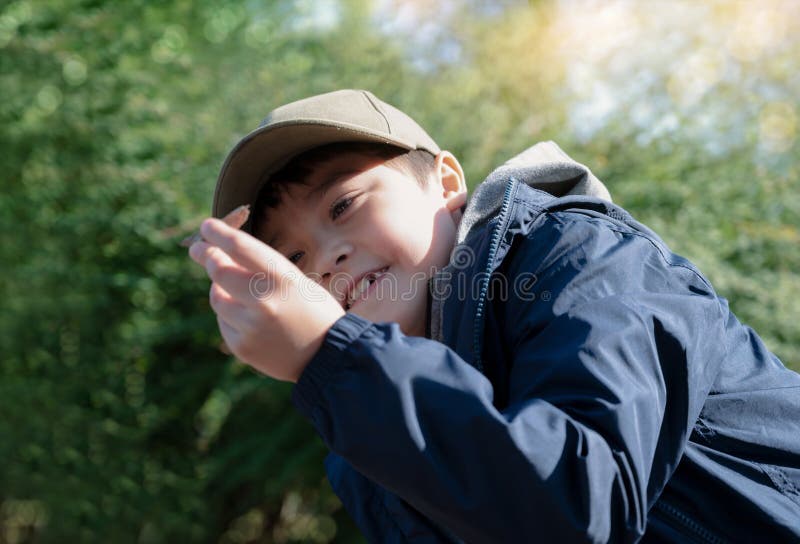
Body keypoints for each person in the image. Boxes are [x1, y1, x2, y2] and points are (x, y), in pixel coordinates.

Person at [188, 89, 800, 542]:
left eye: (344, 205)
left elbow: (582, 509)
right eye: (292, 258)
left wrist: (334, 355)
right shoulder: (364, 433)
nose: (327, 258)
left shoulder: (577, 255)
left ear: (446, 182)